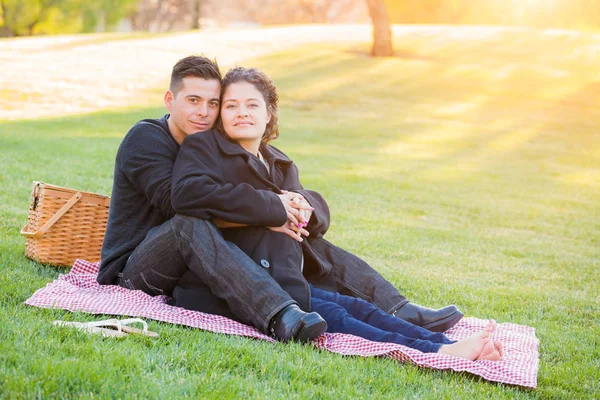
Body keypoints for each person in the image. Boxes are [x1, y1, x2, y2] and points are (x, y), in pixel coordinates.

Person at [98, 55, 462, 344]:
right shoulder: (146, 138)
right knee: (190, 223)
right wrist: (272, 211)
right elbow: (179, 204)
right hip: (137, 267)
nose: (204, 112)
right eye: (193, 101)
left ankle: (399, 308)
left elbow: (287, 202)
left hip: (198, 257)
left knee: (303, 233)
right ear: (170, 99)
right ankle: (280, 314)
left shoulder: (228, 148)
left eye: (213, 102)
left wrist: (297, 209)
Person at [170, 66, 502, 360]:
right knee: (340, 318)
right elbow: (188, 193)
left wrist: (301, 207)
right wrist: (273, 208)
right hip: (235, 284)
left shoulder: (278, 161)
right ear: (221, 115)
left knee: (359, 308)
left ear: (269, 113)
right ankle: (439, 351)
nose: (241, 112)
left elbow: (316, 223)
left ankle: (443, 341)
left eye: (252, 104)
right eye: (231, 105)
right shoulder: (204, 148)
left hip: (285, 277)